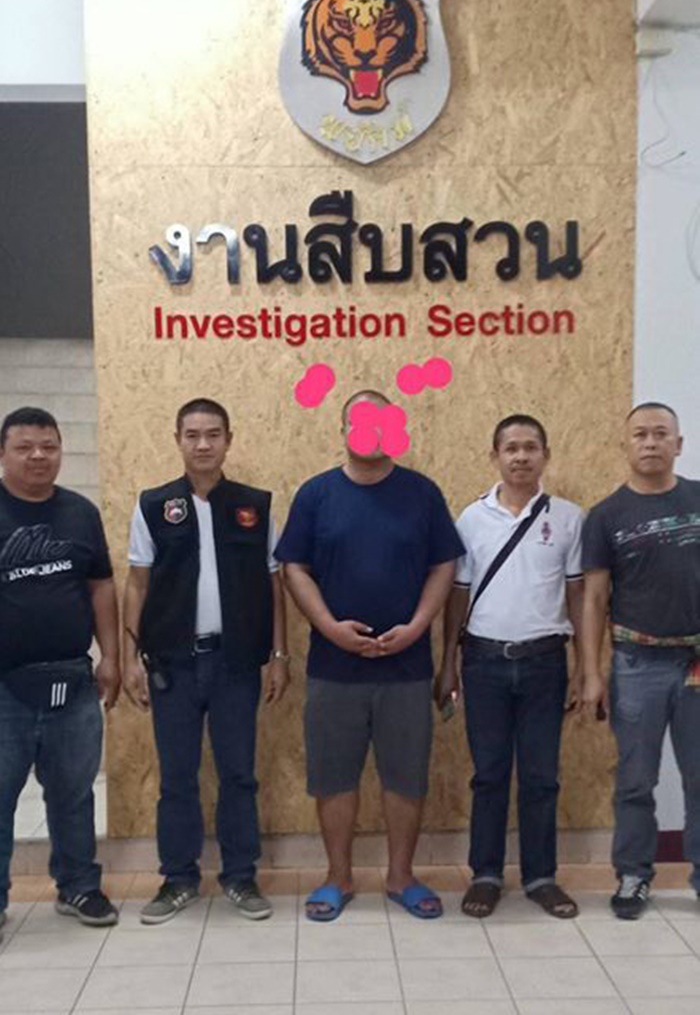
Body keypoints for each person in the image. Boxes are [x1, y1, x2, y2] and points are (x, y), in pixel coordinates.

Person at [276, 389, 464, 921]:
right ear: (342, 430)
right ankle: (338, 876)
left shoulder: (422, 493)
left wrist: (418, 626)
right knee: (334, 776)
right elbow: (294, 568)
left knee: (405, 775)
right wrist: (329, 628)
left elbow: (444, 566)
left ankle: (401, 876)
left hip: (406, 666)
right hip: (333, 667)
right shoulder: (316, 495)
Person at [122, 398, 288, 924]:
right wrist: (129, 657)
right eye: (192, 435)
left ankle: (240, 875)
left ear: (228, 440)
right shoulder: (154, 505)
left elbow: (275, 584)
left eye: (213, 434)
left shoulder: (254, 506)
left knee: (239, 774)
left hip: (235, 663)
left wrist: (279, 654)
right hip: (172, 665)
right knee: (177, 777)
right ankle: (178, 878)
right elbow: (137, 583)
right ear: (178, 440)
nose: (202, 444)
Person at [436, 414, 583, 919]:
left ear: (546, 455)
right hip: (483, 663)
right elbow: (457, 596)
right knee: (490, 774)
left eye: (530, 447)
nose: (521, 456)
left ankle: (541, 877)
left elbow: (579, 595)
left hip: (545, 663)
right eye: (511, 448)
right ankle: (486, 875)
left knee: (541, 776)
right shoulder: (471, 519)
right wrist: (449, 662)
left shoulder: (568, 519)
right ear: (494, 456)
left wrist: (586, 667)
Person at [0, 407, 120, 930]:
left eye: (48, 446)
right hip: (4, 688)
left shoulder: (79, 512)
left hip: (73, 681)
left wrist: (110, 655)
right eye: (25, 447)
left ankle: (79, 888)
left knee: (73, 793)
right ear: (3, 453)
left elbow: (101, 586)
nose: (38, 456)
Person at [581, 402, 700, 919]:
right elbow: (593, 599)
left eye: (660, 434)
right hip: (636, 664)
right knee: (635, 780)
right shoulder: (606, 516)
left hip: (697, 663)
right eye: (640, 435)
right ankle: (633, 875)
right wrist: (591, 673)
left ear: (679, 444)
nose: (650, 443)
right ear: (625, 445)